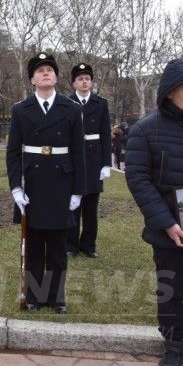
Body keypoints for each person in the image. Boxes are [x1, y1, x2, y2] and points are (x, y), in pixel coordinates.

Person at [125, 59, 183, 366]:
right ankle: (173, 347)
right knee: (170, 289)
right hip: (167, 227)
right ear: (170, 92)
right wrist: (167, 223)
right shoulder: (145, 130)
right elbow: (138, 180)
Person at [6, 52, 85, 314]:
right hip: (33, 183)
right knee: (35, 244)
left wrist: (78, 191)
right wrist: (16, 188)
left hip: (61, 182)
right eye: (40, 71)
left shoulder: (71, 109)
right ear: (32, 79)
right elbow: (13, 153)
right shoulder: (20, 110)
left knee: (58, 246)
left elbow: (79, 153)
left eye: (50, 70)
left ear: (57, 77)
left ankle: (56, 298)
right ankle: (34, 297)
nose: (46, 73)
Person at [67, 63, 112, 258]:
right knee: (73, 205)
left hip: (94, 158)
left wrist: (106, 164)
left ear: (91, 82)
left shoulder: (101, 103)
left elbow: (106, 135)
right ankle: (71, 246)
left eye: (87, 79)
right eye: (80, 79)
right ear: (74, 83)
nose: (84, 82)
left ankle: (89, 246)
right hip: (73, 156)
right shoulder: (67, 103)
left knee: (91, 208)